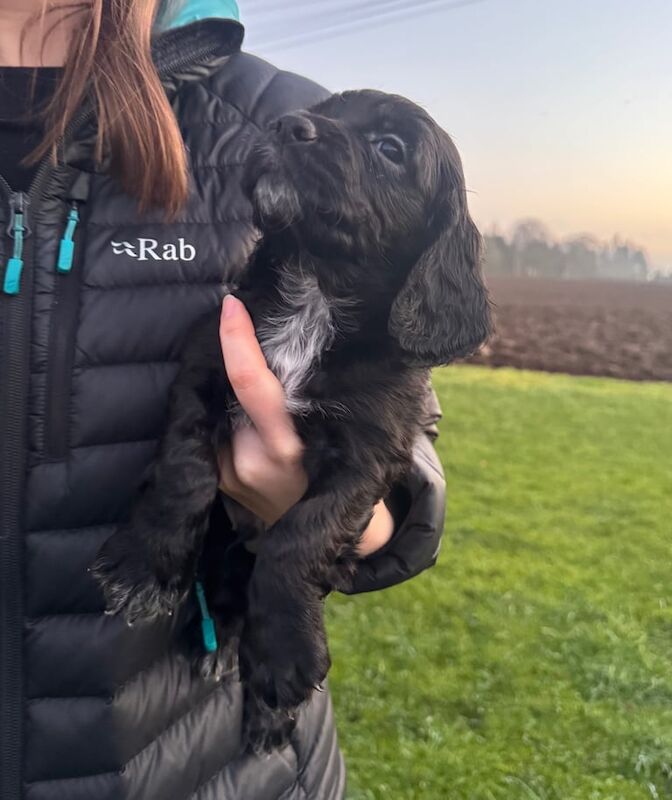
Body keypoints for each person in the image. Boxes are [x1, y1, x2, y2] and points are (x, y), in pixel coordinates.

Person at [0, 0, 447, 797]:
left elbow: (411, 439)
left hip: (199, 753)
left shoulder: (270, 110)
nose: (320, 131)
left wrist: (344, 519)